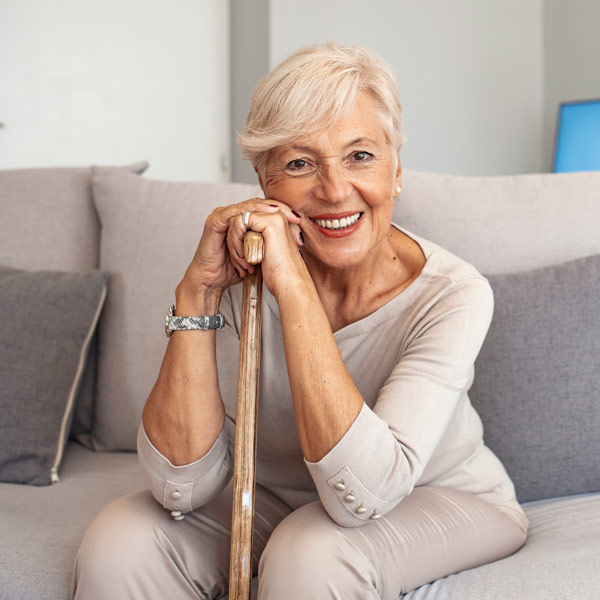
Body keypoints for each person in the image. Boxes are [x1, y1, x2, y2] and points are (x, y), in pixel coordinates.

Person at [72, 42, 528, 599]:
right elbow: (180, 487)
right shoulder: (238, 273)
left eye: (360, 155)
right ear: (266, 184)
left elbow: (361, 495)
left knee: (309, 552)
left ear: (397, 169)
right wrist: (198, 291)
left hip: (436, 497)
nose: (335, 190)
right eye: (300, 163)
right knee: (120, 541)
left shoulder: (454, 294)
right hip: (272, 497)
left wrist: (292, 288)